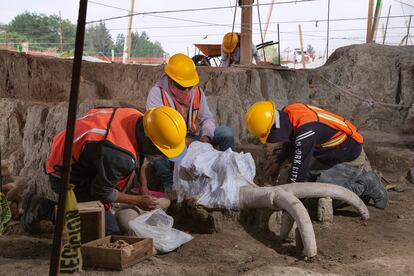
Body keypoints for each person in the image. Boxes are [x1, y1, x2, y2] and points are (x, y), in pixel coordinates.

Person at [21, 106, 188, 234]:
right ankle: (42, 207)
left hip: (79, 159)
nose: (160, 155)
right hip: (64, 175)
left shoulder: (137, 118)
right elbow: (101, 191)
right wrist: (138, 201)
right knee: (105, 230)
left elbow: (140, 153)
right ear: (149, 140)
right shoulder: (120, 155)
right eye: (160, 150)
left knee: (107, 213)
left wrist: (143, 186)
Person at [244, 101, 388, 209]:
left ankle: (365, 184)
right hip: (329, 155)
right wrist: (278, 163)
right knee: (307, 185)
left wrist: (288, 204)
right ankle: (345, 179)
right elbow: (290, 139)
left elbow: (298, 175)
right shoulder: (288, 112)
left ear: (274, 130)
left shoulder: (306, 133)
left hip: (348, 158)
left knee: (319, 201)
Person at [146, 53, 235, 191]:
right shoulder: (157, 94)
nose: (188, 91)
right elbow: (157, 133)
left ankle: (225, 177)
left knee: (226, 133)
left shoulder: (196, 91)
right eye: (182, 87)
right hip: (171, 141)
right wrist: (191, 144)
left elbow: (207, 118)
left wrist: (205, 138)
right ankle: (169, 185)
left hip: (195, 135)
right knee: (155, 147)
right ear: (170, 81)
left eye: (190, 86)